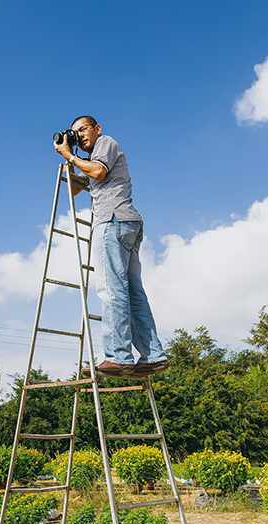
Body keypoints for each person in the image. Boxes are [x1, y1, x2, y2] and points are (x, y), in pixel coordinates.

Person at [53, 115, 168, 378]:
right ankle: (152, 357)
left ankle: (118, 357)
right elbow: (77, 188)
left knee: (111, 289)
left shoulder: (105, 143)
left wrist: (71, 157)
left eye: (83, 130)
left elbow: (98, 172)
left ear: (97, 129)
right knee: (132, 293)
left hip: (112, 222)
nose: (80, 135)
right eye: (75, 133)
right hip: (126, 223)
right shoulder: (91, 158)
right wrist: (69, 162)